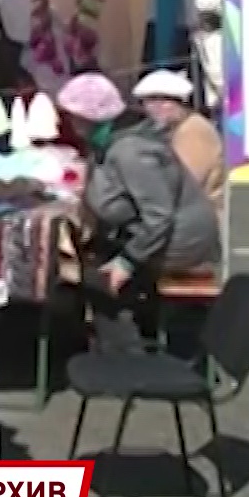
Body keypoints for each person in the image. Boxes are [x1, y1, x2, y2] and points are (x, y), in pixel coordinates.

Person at [55, 71, 220, 354]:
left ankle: (124, 352)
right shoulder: (111, 141)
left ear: (86, 117)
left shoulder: (131, 151)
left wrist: (127, 263)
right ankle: (117, 338)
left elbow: (160, 216)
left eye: (70, 115)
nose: (65, 121)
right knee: (90, 249)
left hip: (180, 242)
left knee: (95, 271)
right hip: (157, 232)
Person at [133, 69, 225, 211]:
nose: (156, 108)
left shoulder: (193, 130)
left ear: (181, 102)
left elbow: (187, 182)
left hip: (202, 217)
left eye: (164, 101)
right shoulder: (173, 129)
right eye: (150, 101)